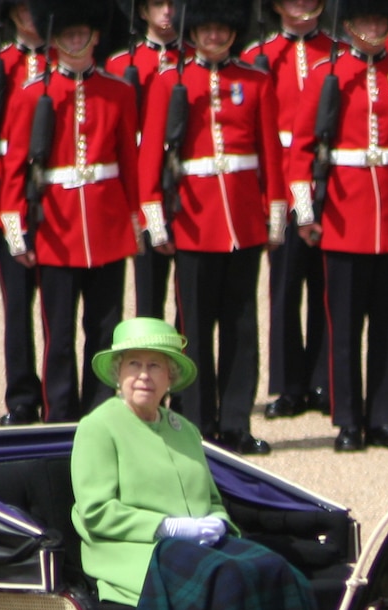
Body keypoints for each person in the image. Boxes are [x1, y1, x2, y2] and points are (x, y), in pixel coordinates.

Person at [70, 317, 318, 610]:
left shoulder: (184, 430)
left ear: (170, 378)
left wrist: (221, 523)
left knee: (276, 570)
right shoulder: (99, 426)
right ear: (118, 373)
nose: (143, 375)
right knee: (228, 579)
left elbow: (212, 501)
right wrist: (167, 526)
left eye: (155, 366)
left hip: (196, 548)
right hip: (138, 554)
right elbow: (96, 512)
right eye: (134, 365)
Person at [285, 0, 388, 452]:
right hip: (345, 216)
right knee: (344, 327)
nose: (372, 27)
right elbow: (301, 152)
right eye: (364, 19)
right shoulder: (326, 76)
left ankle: (385, 418)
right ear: (348, 23)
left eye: (378, 19)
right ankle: (349, 420)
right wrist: (306, 213)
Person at [138, 0, 283, 454]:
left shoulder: (255, 81)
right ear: (192, 30)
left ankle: (236, 421)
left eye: (223, 28)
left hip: (241, 221)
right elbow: (151, 161)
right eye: (207, 29)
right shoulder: (169, 81)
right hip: (195, 220)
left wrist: (274, 212)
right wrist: (156, 220)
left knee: (241, 326)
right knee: (194, 326)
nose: (215, 37)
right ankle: (195, 423)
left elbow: (270, 155)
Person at [0, 0, 140, 424]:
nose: (76, 40)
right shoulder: (31, 93)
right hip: (57, 227)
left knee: (103, 328)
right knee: (57, 334)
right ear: (53, 37)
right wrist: (15, 227)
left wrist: (136, 221)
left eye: (83, 33)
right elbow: (14, 168)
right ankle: (59, 414)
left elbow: (129, 165)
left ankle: (98, 412)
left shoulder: (119, 92)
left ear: (96, 35)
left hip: (107, 224)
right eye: (67, 33)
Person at [252, 0, 333, 418]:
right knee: (284, 289)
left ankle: (324, 380)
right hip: (280, 183)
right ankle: (287, 385)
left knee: (326, 288)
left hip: (331, 181)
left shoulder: (336, 55)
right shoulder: (256, 57)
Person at [0, 0, 48, 425]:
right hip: (9, 200)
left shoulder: (66, 62)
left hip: (58, 201)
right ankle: (21, 394)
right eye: (22, 9)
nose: (30, 16)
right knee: (17, 306)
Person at [108, 0, 187, 317]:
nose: (166, 12)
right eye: (157, 4)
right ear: (142, 12)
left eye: (173, 4)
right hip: (143, 183)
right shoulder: (120, 64)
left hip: (187, 182)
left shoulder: (194, 60)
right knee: (148, 290)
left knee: (190, 292)